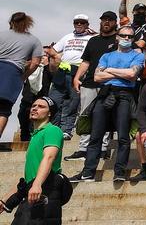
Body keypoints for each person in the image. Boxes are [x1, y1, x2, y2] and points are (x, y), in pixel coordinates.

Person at [71, 24, 144, 182]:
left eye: (130, 37)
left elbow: (132, 74)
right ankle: (88, 172)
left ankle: (119, 172)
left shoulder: (138, 56)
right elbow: (97, 77)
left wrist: (109, 70)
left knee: (123, 136)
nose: (126, 39)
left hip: (125, 96)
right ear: (117, 37)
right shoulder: (106, 55)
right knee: (96, 135)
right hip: (105, 94)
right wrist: (120, 73)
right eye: (123, 36)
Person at [0, 96, 66, 223]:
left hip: (46, 192)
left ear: (50, 113)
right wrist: (5, 200)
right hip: (33, 192)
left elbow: (49, 157)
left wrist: (37, 184)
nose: (35, 108)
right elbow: (29, 178)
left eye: (41, 107)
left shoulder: (52, 130)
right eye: (34, 106)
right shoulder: (35, 136)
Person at [0, 12, 43, 140]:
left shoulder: (1, 34)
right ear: (28, 23)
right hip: (12, 73)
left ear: (11, 23)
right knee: (3, 109)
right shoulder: (34, 41)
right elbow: (35, 63)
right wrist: (24, 76)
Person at [51, 14, 94, 137]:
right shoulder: (67, 36)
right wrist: (57, 57)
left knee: (72, 102)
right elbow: (53, 50)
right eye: (76, 22)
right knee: (54, 99)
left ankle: (66, 130)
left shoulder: (91, 38)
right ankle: (54, 128)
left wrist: (93, 33)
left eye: (82, 22)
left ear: (87, 24)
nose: (79, 24)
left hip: (78, 69)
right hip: (63, 69)